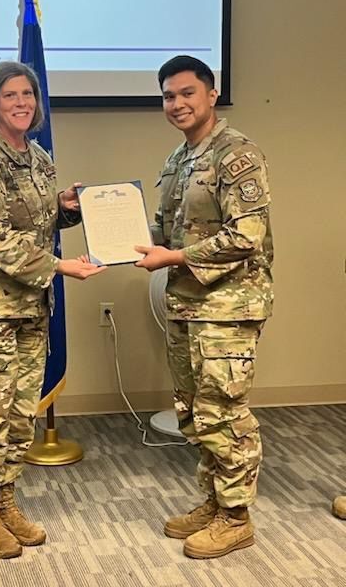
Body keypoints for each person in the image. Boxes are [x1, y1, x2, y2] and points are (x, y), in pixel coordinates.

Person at [0, 61, 104, 560]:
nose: (22, 103)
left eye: (28, 95)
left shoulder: (37, 156)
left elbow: (37, 221)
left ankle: (6, 500)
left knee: (18, 416)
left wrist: (68, 206)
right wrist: (61, 267)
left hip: (30, 308)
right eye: (11, 95)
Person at [135, 55, 273, 559]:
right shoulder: (178, 160)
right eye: (169, 96)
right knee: (195, 412)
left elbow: (246, 235)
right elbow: (160, 229)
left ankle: (237, 517)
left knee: (224, 411)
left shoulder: (237, 155)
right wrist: (114, 235)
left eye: (187, 93)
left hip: (228, 307)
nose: (177, 104)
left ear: (211, 95)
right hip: (188, 304)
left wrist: (174, 256)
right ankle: (215, 502)